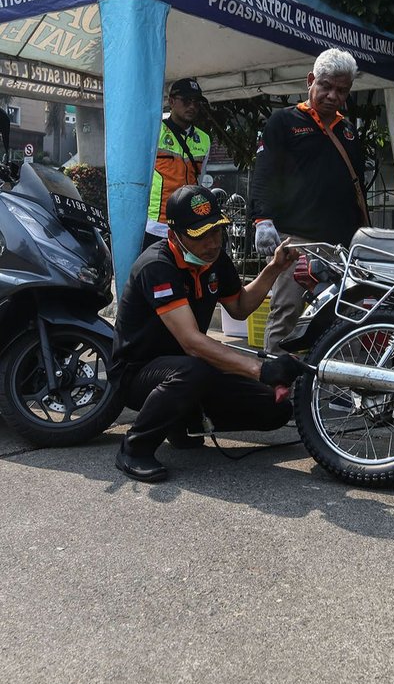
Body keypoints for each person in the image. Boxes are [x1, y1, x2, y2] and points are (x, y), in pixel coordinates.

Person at [111, 184, 306, 483]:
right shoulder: (157, 266)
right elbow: (191, 342)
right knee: (194, 369)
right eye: (201, 235)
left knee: (275, 410)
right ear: (174, 235)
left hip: (190, 366)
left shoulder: (214, 259)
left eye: (217, 231)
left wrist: (274, 268)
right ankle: (134, 448)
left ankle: (184, 421)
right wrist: (260, 368)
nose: (213, 242)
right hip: (138, 373)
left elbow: (239, 307)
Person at [250, 48, 368, 354]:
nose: (332, 95)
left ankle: (323, 389)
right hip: (295, 242)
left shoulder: (348, 132)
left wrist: (362, 237)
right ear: (310, 80)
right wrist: (262, 220)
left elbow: (357, 190)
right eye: (326, 86)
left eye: (341, 90)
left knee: (338, 319)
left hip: (339, 245)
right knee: (286, 313)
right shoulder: (284, 122)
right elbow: (264, 173)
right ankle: (274, 389)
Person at [143, 78, 211, 250]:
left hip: (187, 226)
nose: (192, 106)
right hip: (154, 225)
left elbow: (199, 182)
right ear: (171, 101)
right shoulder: (153, 131)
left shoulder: (204, 139)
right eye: (186, 100)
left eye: (196, 102)